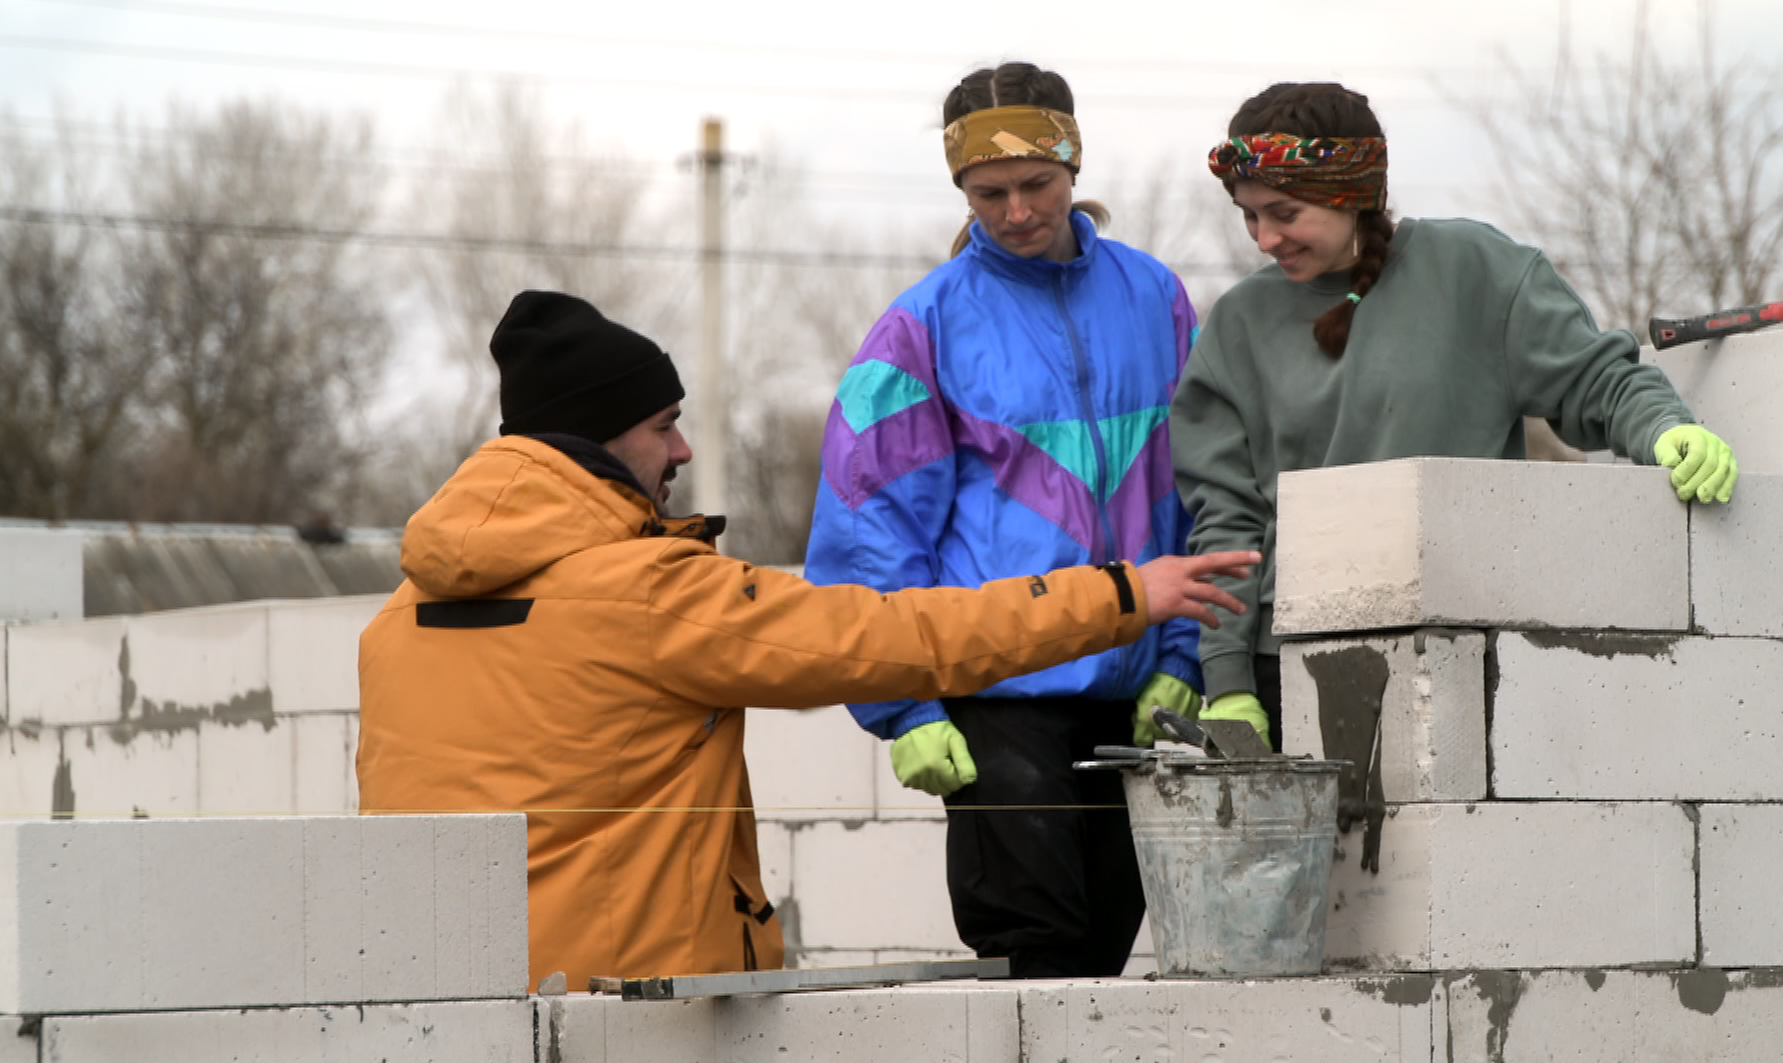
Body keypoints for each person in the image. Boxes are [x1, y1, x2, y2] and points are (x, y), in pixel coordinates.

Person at [354, 290, 1255, 991]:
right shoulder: (647, 595)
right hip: (628, 1019)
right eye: (663, 426)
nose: (683, 452)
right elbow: (891, 634)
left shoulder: (396, 618)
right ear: (594, 439)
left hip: (444, 1011)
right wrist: (1120, 595)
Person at [1172, 82, 1738, 740]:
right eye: (1248, 216)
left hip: (1465, 648)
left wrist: (1666, 429)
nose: (1264, 237)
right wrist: (1228, 685)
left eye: (1283, 212)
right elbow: (1227, 521)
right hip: (1287, 663)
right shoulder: (1238, 326)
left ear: (1352, 193)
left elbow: (1601, 381)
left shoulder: (1476, 273)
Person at [803, 62, 1203, 979]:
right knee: (1035, 954)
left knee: (1106, 954)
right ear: (961, 188)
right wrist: (903, 705)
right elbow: (871, 525)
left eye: (1037, 184)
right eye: (989, 193)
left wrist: (1185, 658)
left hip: (1138, 686)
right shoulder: (920, 326)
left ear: (1073, 166)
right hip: (997, 687)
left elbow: (1198, 486)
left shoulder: (1156, 297)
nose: (1017, 211)